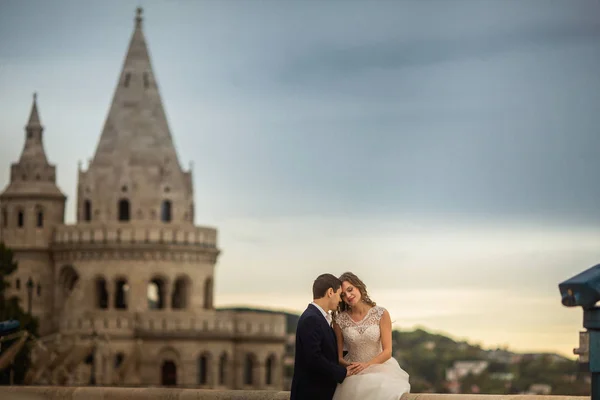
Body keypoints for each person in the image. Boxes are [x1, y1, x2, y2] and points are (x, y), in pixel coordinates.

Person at [332, 272, 411, 400]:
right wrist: (351, 367)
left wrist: (367, 365)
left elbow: (387, 351)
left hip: (381, 369)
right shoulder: (339, 320)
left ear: (358, 286)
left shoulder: (381, 313)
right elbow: (339, 357)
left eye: (350, 289)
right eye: (343, 294)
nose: (348, 295)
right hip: (354, 374)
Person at [290, 273, 355, 400]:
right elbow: (314, 358)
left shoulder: (320, 318)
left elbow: (328, 351)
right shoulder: (311, 319)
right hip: (310, 394)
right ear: (331, 292)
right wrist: (342, 372)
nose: (340, 300)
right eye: (339, 294)